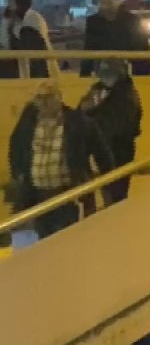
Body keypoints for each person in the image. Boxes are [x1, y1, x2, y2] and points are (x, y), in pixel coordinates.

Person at [8, 82, 114, 237]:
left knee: (69, 240)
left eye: (49, 97)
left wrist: (106, 186)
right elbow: (15, 149)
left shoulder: (79, 123)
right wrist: (18, 176)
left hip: (68, 197)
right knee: (41, 243)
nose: (44, 102)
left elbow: (103, 155)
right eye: (40, 98)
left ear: (59, 98)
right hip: (36, 197)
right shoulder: (27, 124)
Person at [79, 60, 143, 202]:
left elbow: (122, 122)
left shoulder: (126, 94)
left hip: (119, 146)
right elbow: (82, 110)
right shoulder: (99, 90)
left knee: (117, 188)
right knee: (107, 185)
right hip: (103, 146)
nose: (105, 79)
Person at [81, 0, 150, 77]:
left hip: (129, 71)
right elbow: (88, 50)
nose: (105, 7)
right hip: (101, 71)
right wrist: (84, 76)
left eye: (108, 3)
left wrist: (142, 79)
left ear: (118, 0)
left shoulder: (132, 21)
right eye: (102, 3)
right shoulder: (93, 22)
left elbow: (142, 50)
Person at [3, 0, 52, 78]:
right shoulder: (15, 20)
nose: (8, 3)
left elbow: (27, 44)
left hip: (37, 67)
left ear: (19, 1)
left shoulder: (33, 18)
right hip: (24, 66)